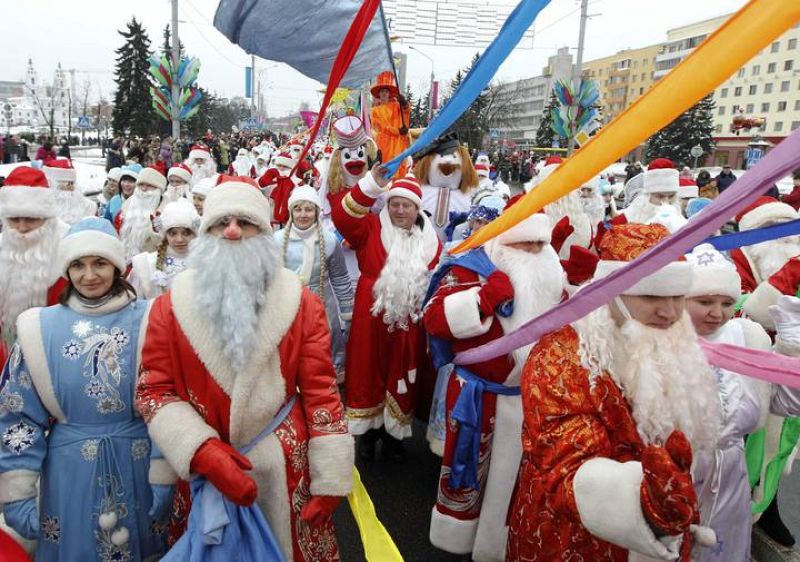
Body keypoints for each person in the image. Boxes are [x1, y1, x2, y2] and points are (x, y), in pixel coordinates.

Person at [134, 177, 353, 561]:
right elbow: (153, 390)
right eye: (221, 222)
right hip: (205, 473)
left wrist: (330, 478)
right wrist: (200, 450)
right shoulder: (171, 306)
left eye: (246, 222)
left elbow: (321, 391)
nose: (233, 232)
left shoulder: (300, 302)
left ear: (265, 232)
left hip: (282, 472)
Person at [507, 223, 720, 561]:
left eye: (678, 296)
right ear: (611, 294)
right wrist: (645, 505)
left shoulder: (670, 341)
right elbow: (567, 465)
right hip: (574, 536)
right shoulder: (561, 356)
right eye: (651, 296)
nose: (669, 312)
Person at [0, 217, 167, 561]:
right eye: (78, 264)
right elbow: (18, 416)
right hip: (69, 473)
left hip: (139, 466)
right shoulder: (38, 329)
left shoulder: (152, 320)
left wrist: (165, 469)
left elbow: (170, 402)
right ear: (66, 269)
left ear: (117, 266)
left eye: (100, 263)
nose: (89, 275)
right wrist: (16, 492)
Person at [424, 213, 564, 561]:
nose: (533, 251)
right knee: (467, 469)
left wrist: (576, 287)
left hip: (526, 398)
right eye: (525, 243)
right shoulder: (470, 269)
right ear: (503, 241)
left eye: (540, 244)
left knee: (513, 478)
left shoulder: (551, 276)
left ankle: (498, 542)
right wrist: (481, 300)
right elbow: (434, 320)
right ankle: (456, 539)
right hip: (477, 394)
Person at [683, 244, 800, 561]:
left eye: (726, 302)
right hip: (677, 482)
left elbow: (781, 404)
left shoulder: (746, 336)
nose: (717, 312)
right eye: (704, 301)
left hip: (733, 483)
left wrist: (791, 352)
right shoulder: (659, 343)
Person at [332, 166, 441, 460]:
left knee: (402, 372)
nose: (400, 210)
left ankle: (395, 437)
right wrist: (372, 184)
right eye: (394, 204)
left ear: (417, 208)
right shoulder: (370, 228)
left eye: (406, 205)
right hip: (371, 314)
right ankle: (367, 435)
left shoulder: (432, 241)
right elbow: (343, 217)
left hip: (409, 321)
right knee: (368, 371)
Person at [274, 186, 354, 378]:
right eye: (298, 209)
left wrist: (347, 313)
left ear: (317, 212)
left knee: (326, 343)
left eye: (309, 209)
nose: (303, 215)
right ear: (291, 211)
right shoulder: (276, 241)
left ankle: (328, 379)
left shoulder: (329, 241)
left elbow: (341, 278)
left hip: (322, 304)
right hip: (288, 304)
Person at [0, 167, 69, 369]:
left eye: (31, 219)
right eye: (14, 219)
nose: (22, 228)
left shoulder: (66, 251)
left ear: (47, 220)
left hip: (55, 358)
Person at [414, 133, 480, 240]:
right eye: (442, 156)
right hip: (421, 245)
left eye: (454, 157)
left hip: (456, 248)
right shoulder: (419, 190)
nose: (449, 161)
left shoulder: (470, 194)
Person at [128, 199, 198, 299]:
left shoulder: (206, 262)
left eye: (186, 233)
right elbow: (136, 305)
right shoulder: (146, 264)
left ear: (195, 234)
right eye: (173, 233)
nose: (179, 239)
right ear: (165, 235)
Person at [117, 167, 167, 262]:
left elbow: (168, 246)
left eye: (149, 185)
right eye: (141, 184)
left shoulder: (167, 210)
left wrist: (156, 232)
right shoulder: (127, 206)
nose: (144, 189)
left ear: (159, 189)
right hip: (126, 262)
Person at [370, 72, 411, 177]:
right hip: (383, 143)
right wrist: (397, 131)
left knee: (399, 168)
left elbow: (406, 112)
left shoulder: (396, 106)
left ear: (389, 94)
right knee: (384, 168)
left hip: (398, 143)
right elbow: (381, 126)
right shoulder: (374, 110)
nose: (384, 93)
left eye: (386, 91)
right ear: (379, 94)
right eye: (382, 91)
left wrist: (405, 103)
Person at [43, 159, 97, 225]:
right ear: (51, 184)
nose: (71, 187)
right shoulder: (39, 209)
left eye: (72, 183)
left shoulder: (90, 207)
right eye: (66, 183)